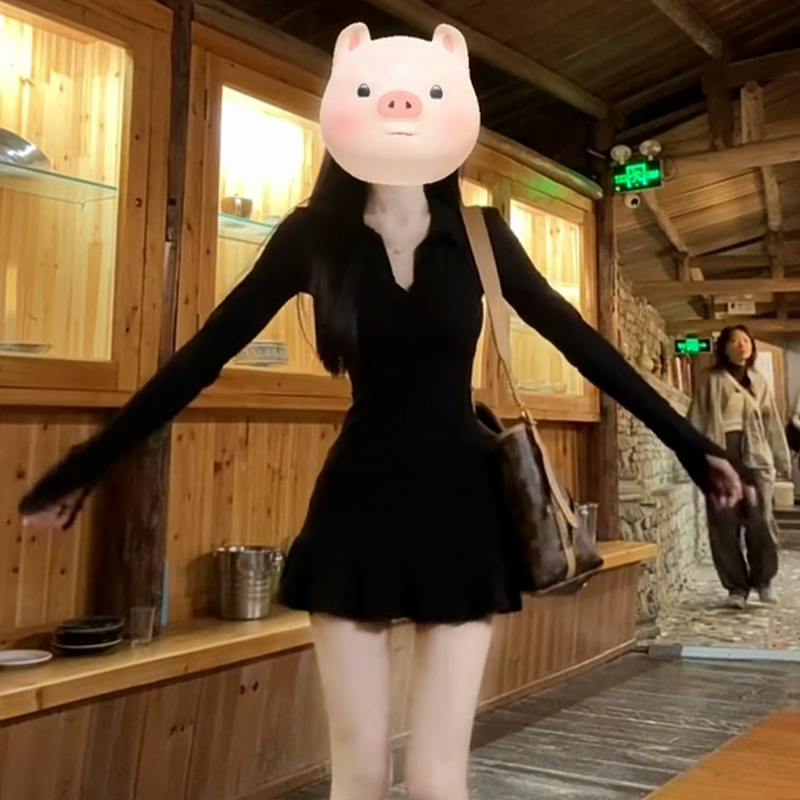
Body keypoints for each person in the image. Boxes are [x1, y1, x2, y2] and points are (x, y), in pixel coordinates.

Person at [19, 23, 749, 800]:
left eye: (425, 92)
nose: (401, 106)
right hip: (355, 511)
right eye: (376, 91)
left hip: (462, 513)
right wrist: (86, 465)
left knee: (436, 780)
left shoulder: (481, 235)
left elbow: (585, 348)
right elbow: (200, 358)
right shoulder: (312, 236)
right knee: (360, 775)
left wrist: (690, 446)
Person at [688, 325, 790, 610]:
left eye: (746, 340)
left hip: (755, 457)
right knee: (724, 524)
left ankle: (763, 580)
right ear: (724, 348)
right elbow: (696, 420)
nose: (741, 345)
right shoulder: (710, 380)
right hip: (722, 455)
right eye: (734, 341)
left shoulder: (759, 381)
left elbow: (772, 421)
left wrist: (780, 458)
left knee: (761, 522)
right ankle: (736, 588)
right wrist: (697, 459)